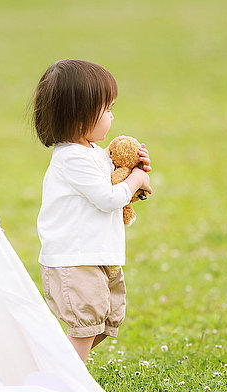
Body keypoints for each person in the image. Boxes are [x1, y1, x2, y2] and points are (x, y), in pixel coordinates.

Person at [32, 59, 152, 363]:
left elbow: (114, 191)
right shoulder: (71, 159)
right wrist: (136, 179)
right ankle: (67, 381)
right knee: (86, 325)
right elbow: (108, 199)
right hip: (75, 259)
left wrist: (133, 174)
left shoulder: (95, 155)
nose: (113, 116)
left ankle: (52, 363)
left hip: (97, 254)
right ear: (82, 118)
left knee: (107, 319)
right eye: (108, 109)